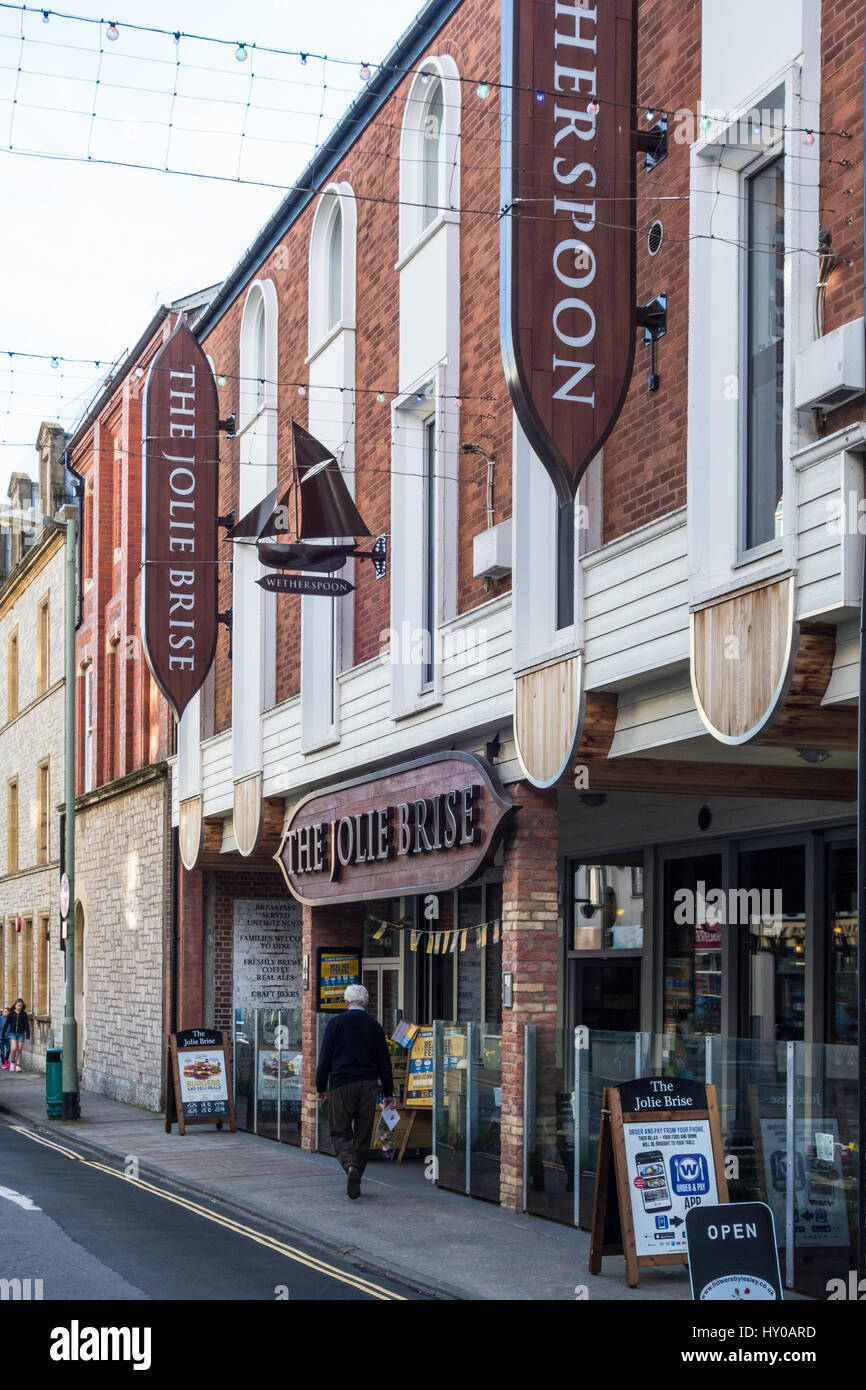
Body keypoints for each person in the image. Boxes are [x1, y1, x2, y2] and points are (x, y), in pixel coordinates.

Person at [316, 984, 396, 1199]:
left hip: (341, 1084)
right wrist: (389, 1092)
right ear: (367, 1002)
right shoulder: (375, 1027)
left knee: (339, 1132)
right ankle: (357, 1175)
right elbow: (385, 1063)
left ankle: (350, 1166)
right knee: (363, 1134)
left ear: (345, 1002)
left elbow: (324, 1059)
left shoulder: (335, 1024)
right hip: (368, 1085)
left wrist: (320, 1087)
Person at [3, 999, 30, 1072]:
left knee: (20, 1049)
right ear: (15, 1005)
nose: (19, 1007)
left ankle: (18, 1065)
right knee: (14, 1049)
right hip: (13, 1034)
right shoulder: (11, 1013)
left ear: (22, 1006)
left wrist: (28, 1034)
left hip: (21, 1034)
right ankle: (12, 1062)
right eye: (18, 1005)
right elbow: (7, 1024)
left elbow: (26, 1024)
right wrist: (3, 1033)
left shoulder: (24, 1014)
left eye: (21, 1006)